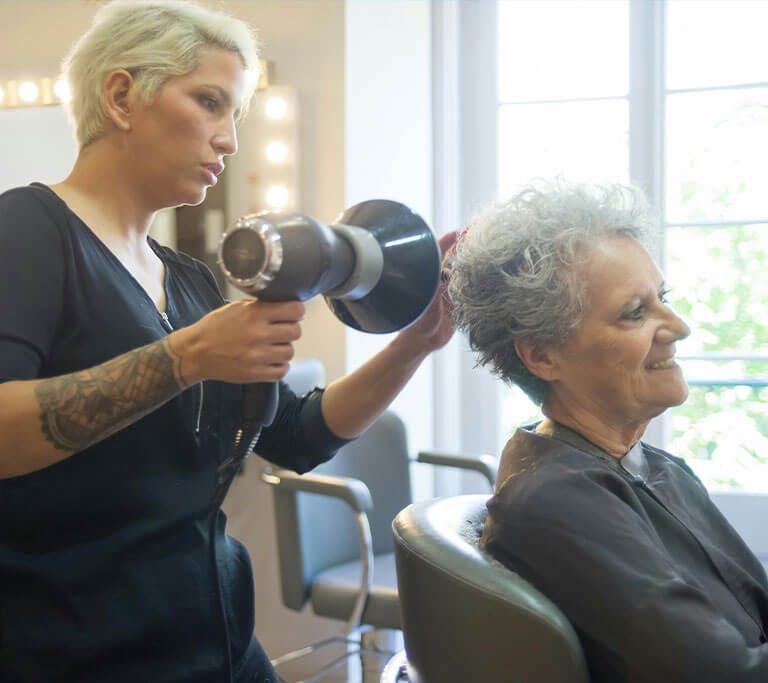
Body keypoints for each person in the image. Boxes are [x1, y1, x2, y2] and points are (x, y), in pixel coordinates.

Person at [0, 2, 455, 681]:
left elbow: (297, 435)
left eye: (237, 114)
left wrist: (415, 342)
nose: (229, 141)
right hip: (79, 653)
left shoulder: (188, 281)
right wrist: (185, 358)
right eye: (209, 103)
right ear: (121, 96)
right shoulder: (29, 230)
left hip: (222, 645)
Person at [447, 180, 768, 683]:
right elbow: (722, 675)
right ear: (542, 354)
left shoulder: (658, 468)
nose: (678, 326)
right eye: (635, 312)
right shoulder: (553, 502)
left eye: (663, 298)